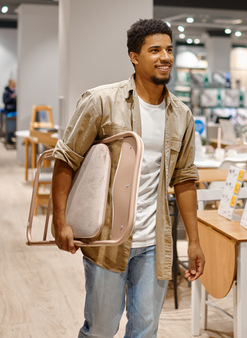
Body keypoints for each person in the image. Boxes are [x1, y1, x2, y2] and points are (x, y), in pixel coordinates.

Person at [51, 19, 205, 338]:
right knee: (101, 329)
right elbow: (66, 160)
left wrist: (193, 240)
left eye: (169, 49)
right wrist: (59, 219)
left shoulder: (181, 115)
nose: (165, 57)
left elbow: (185, 180)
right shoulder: (101, 101)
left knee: (145, 330)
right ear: (134, 57)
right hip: (109, 239)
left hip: (155, 242)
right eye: (155, 50)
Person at [2, 79, 17, 144]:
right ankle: (8, 139)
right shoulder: (6, 92)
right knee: (9, 126)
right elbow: (5, 101)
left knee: (13, 126)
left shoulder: (15, 92)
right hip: (8, 111)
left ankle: (11, 138)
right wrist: (12, 97)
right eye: (13, 85)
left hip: (14, 111)